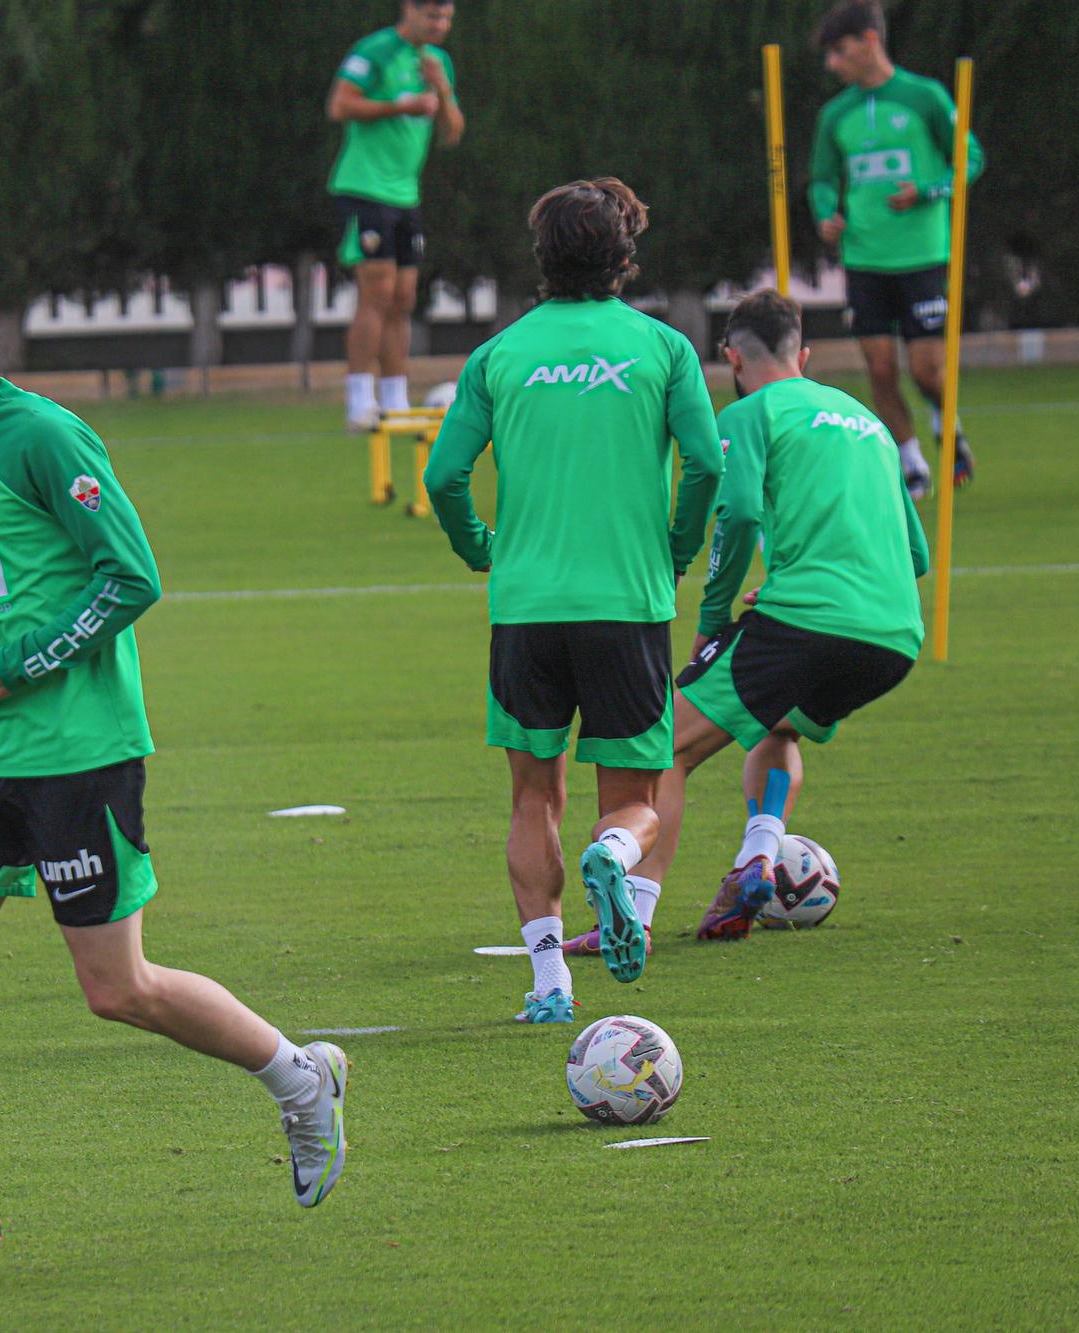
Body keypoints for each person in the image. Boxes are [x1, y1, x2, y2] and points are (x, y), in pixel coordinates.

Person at [0, 262, 349, 1281]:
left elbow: (128, 576)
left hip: (76, 760)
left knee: (116, 987)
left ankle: (297, 1075)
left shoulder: (43, 436)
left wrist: (20, 665)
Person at [424, 179, 721, 1024]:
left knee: (532, 797)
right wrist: (675, 549)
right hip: (626, 603)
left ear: (542, 259)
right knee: (633, 798)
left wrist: (481, 546)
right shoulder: (663, 349)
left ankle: (550, 981)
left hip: (525, 607)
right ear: (624, 257)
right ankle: (617, 853)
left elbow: (443, 474)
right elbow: (706, 464)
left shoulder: (500, 354)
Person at [626, 290, 927, 943]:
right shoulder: (870, 422)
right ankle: (757, 857)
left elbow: (737, 514)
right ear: (805, 354)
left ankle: (633, 917)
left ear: (732, 356)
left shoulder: (749, 411)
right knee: (779, 724)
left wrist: (712, 620)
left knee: (664, 745)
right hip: (895, 636)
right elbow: (918, 552)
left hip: (809, 619)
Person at [809, 0, 984, 499]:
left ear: (869, 41)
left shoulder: (922, 96)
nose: (832, 65)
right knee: (880, 370)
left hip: (922, 255)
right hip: (864, 259)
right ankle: (912, 465)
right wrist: (827, 214)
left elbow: (970, 157)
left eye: (839, 52)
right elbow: (822, 180)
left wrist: (928, 190)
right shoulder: (835, 115)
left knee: (928, 372)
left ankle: (946, 424)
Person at [327, 0, 464, 431]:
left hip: (406, 196)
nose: (440, 25)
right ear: (409, 9)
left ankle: (395, 397)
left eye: (446, 18)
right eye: (432, 16)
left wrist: (441, 92)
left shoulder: (437, 62)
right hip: (365, 189)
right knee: (377, 295)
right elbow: (341, 106)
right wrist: (398, 107)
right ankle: (358, 402)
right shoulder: (375, 51)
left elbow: (452, 132)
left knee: (404, 298)